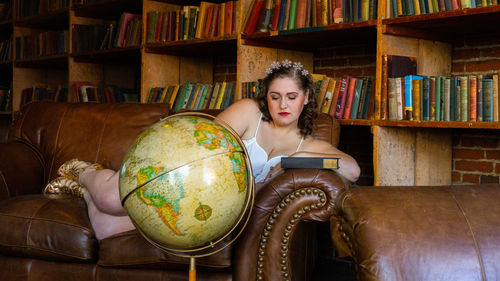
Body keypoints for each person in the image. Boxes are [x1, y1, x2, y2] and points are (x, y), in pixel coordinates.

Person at [44, 59, 360, 240]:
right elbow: (199, 144)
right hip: (182, 182)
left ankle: (80, 191)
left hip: (214, 212)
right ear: (267, 96)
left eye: (292, 96)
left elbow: (352, 169)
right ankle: (84, 171)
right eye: (276, 96)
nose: (283, 104)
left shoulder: (312, 143)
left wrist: (293, 160)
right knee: (111, 199)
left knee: (106, 229)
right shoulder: (250, 112)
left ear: (305, 97)